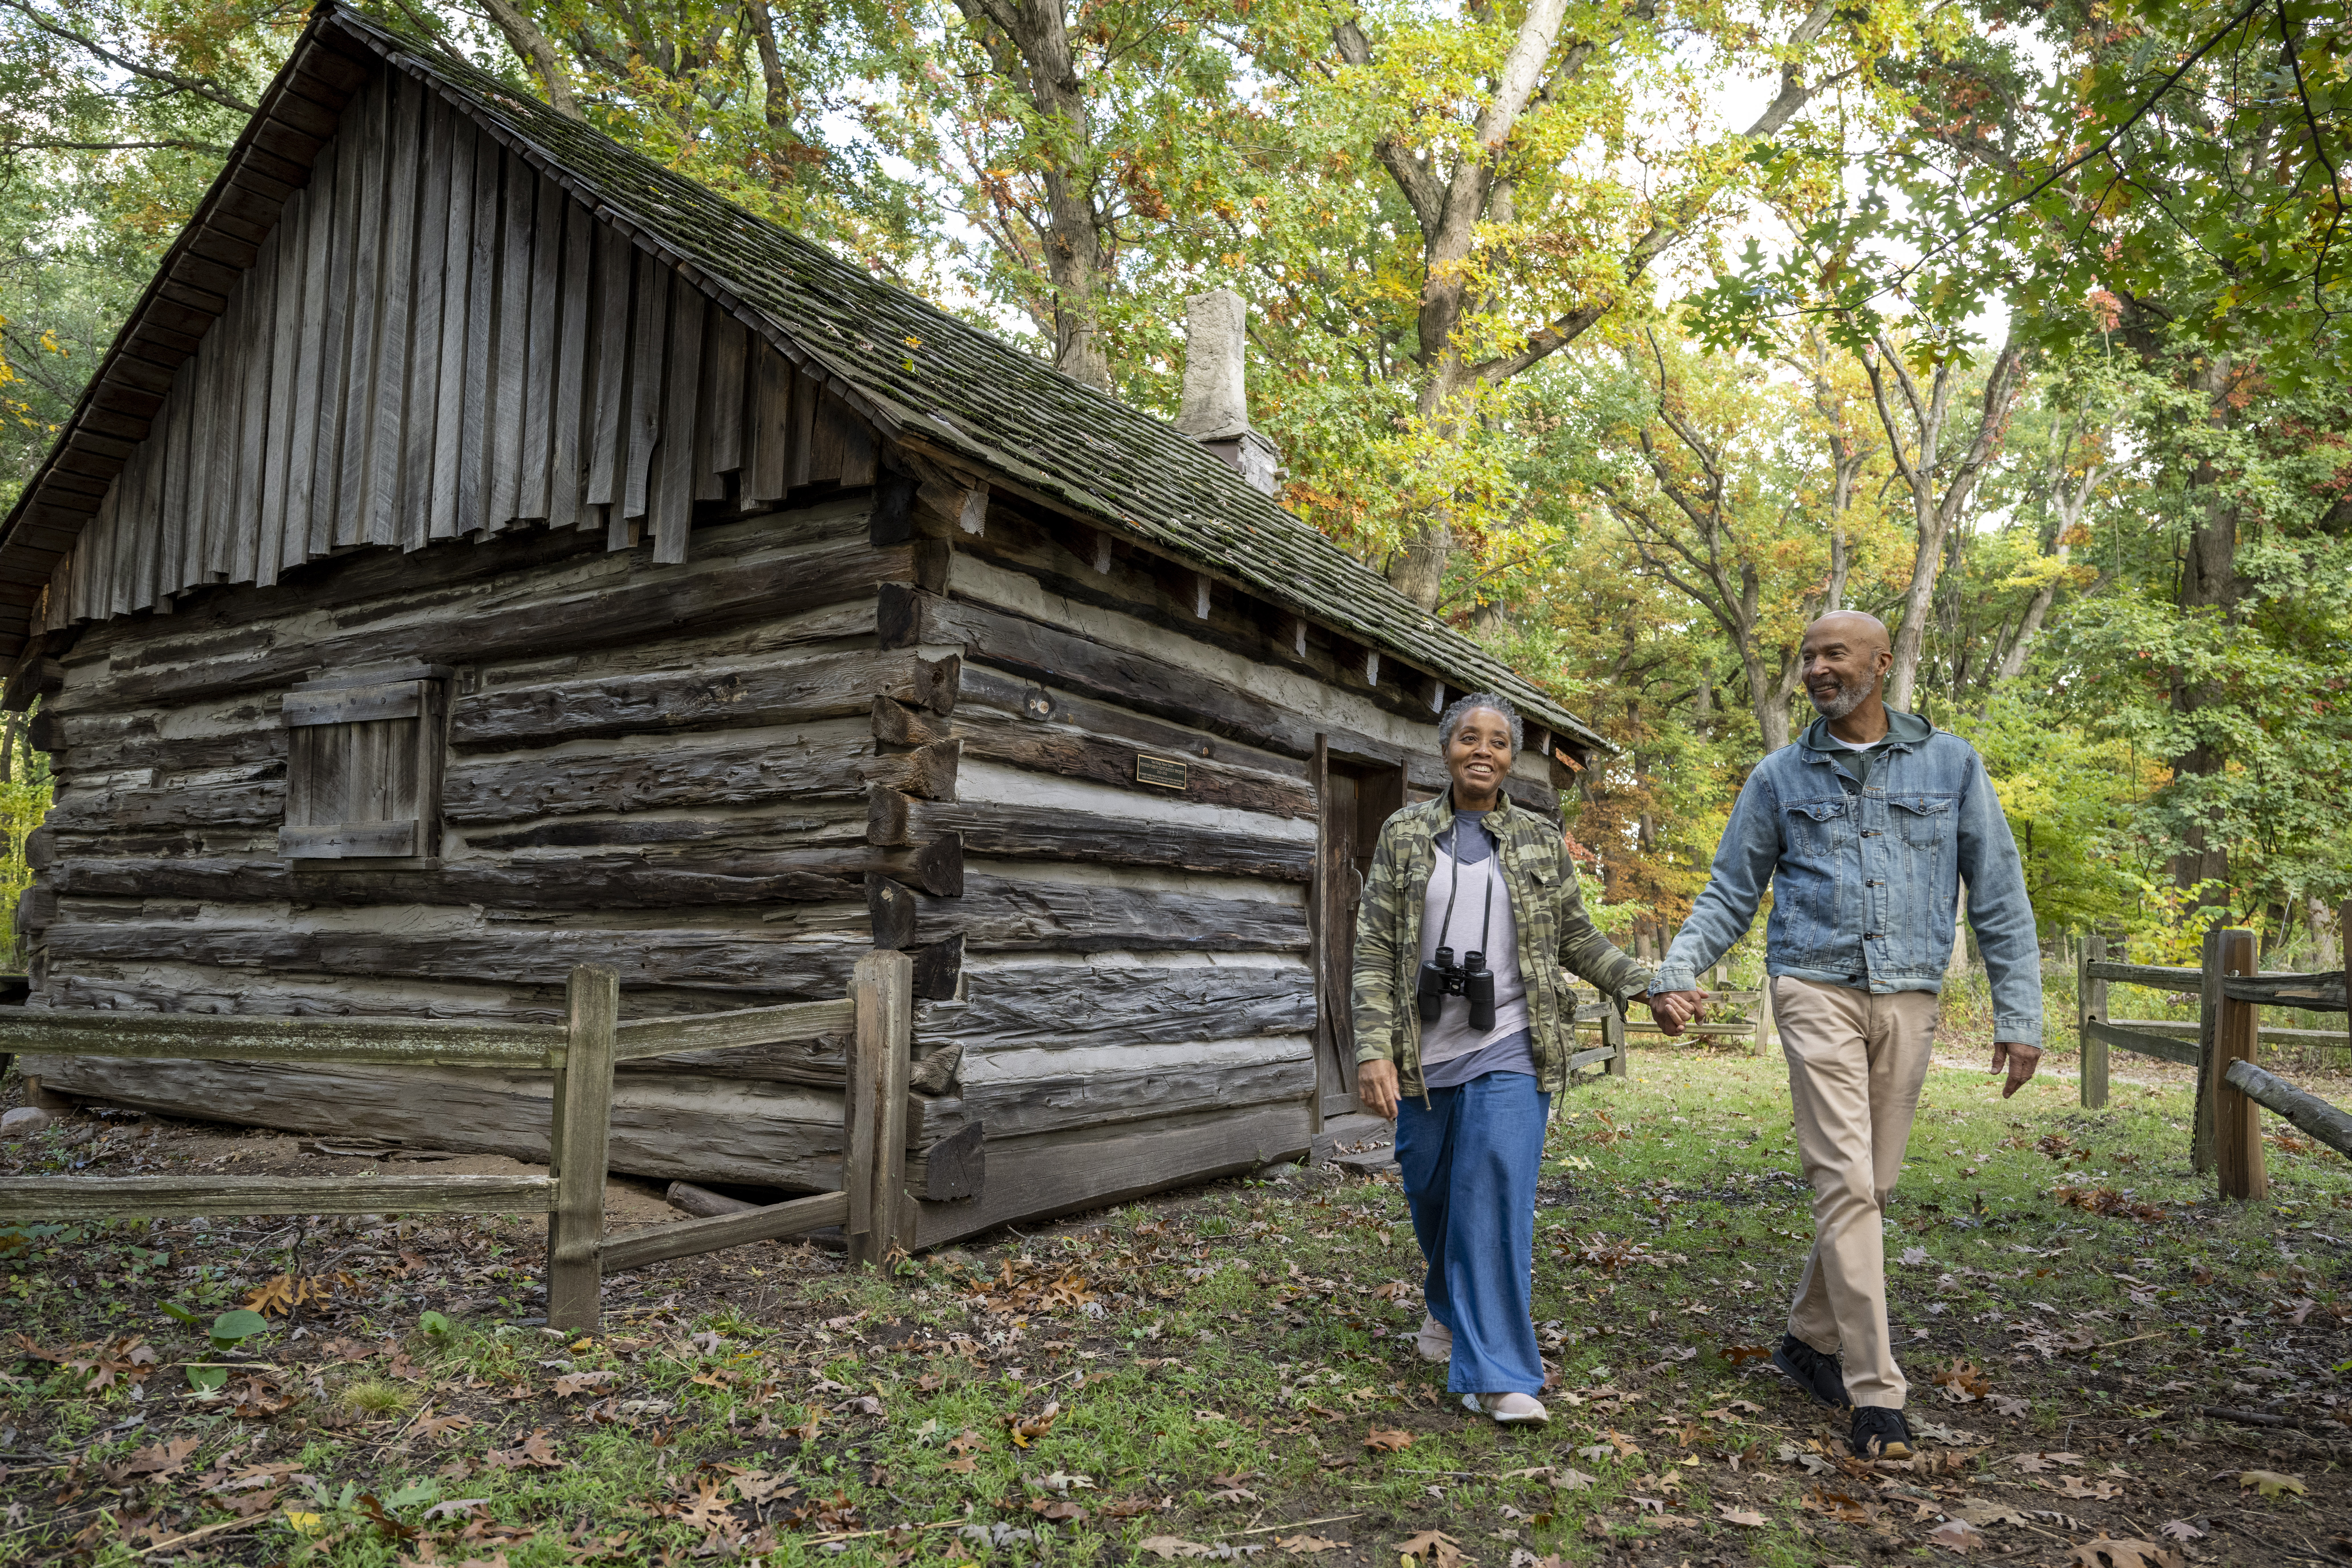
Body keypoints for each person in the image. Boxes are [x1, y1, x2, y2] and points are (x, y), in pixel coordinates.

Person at [1647, 612, 2042, 1459]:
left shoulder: (1951, 763)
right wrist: (1679, 969)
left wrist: (2021, 1018)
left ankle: (1805, 1339)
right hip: (1813, 986)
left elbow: (2000, 896)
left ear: (1881, 663)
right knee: (1845, 1184)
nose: (1818, 670)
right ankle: (1876, 1393)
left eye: (1834, 655)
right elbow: (1729, 891)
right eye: (1808, 658)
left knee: (1875, 1185)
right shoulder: (1780, 776)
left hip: (1908, 995)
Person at [1352, 692, 1684, 1426]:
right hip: (1421, 1053)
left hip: (1512, 1042)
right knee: (1434, 1194)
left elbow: (1578, 938)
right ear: (1445, 750)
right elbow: (1374, 948)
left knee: (1492, 1195)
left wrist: (1644, 984)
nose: (1483, 750)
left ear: (1511, 757)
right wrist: (1373, 1048)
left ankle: (1500, 1374)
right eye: (1469, 737)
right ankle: (1445, 1307)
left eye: (1499, 741)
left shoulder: (1539, 840)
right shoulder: (1405, 834)